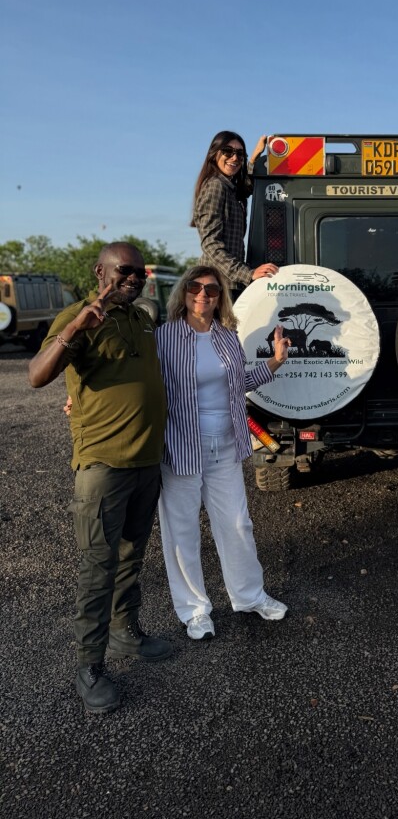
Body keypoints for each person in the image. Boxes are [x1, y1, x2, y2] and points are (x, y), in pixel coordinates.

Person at [28, 242, 172, 715]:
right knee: (98, 567)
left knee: (131, 556)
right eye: (124, 270)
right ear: (100, 271)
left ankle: (125, 633)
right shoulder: (78, 316)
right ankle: (89, 666)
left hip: (146, 462)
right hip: (103, 465)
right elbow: (36, 376)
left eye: (140, 273)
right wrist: (75, 330)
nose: (134, 278)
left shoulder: (141, 318)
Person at [155, 265, 291, 640]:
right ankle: (195, 611)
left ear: (220, 297)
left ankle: (249, 597)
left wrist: (275, 360)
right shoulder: (164, 337)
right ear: (183, 292)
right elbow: (142, 383)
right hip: (181, 446)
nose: (203, 294)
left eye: (212, 289)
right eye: (195, 287)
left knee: (237, 525)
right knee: (181, 532)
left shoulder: (228, 336)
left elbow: (239, 382)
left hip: (225, 446)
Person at [191, 130, 279, 301]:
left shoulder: (230, 188)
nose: (234, 158)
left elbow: (246, 188)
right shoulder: (215, 186)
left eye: (240, 154)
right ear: (214, 154)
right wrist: (247, 274)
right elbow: (211, 244)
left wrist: (254, 156)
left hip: (229, 284)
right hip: (215, 286)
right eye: (228, 151)